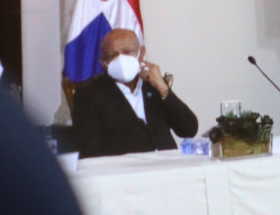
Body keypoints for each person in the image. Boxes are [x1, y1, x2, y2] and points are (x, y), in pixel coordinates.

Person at [70, 28, 199, 157]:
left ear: (141, 53)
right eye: (113, 55)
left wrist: (163, 89)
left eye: (127, 52)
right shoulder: (89, 95)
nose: (121, 60)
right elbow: (89, 151)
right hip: (126, 168)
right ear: (103, 62)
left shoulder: (154, 86)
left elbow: (189, 130)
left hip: (169, 165)